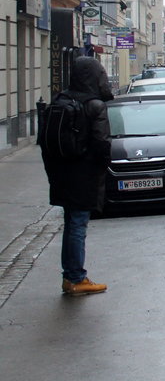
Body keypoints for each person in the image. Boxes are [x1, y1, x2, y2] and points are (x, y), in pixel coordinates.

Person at [41, 56, 113, 296]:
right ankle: (76, 278)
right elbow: (102, 145)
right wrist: (101, 170)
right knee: (78, 226)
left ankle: (70, 276)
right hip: (84, 175)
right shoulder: (94, 105)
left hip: (62, 174)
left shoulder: (60, 100)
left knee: (71, 224)